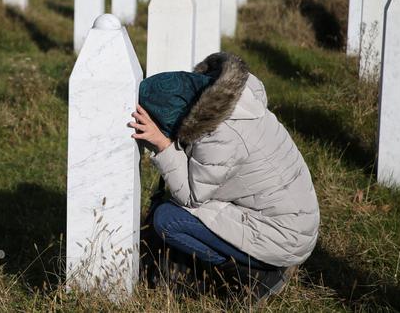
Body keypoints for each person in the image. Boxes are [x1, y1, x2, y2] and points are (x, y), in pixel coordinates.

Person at [129, 52, 319, 304]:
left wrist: (164, 145)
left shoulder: (221, 134)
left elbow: (191, 196)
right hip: (288, 220)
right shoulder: (234, 103)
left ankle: (258, 275)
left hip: (283, 236)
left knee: (168, 220)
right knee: (170, 209)